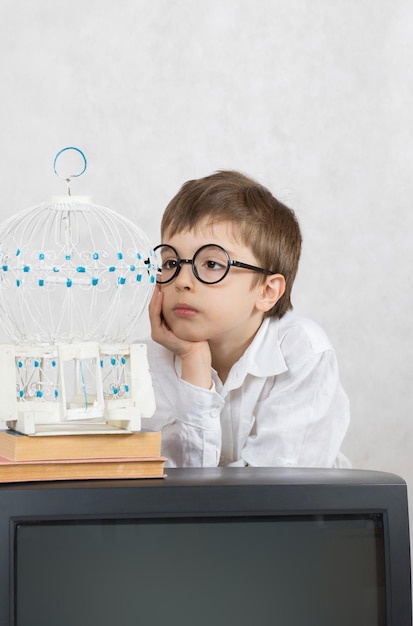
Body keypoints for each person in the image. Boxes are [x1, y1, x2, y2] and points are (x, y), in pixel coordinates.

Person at [146, 170, 350, 468]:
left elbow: (272, 493)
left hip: (304, 515)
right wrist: (193, 362)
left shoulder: (301, 351)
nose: (182, 281)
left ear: (267, 291)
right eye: (171, 262)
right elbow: (171, 493)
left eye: (212, 263)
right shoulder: (149, 360)